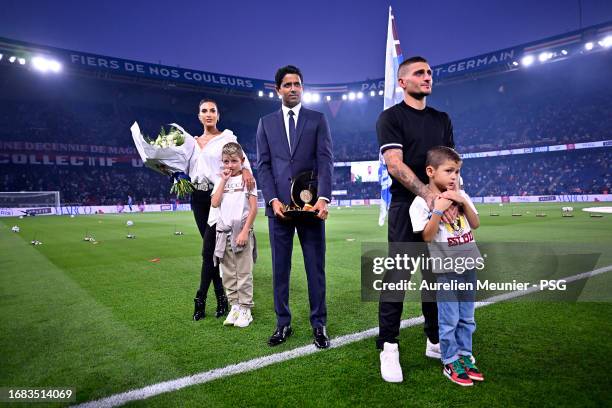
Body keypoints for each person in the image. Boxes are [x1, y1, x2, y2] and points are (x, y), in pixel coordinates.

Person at [376, 56, 457, 382]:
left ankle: (435, 339)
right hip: (405, 207)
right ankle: (388, 346)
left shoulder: (442, 119)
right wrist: (429, 195)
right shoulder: (390, 118)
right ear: (402, 82)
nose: (427, 78)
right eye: (419, 73)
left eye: (429, 73)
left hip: (439, 208)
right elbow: (394, 164)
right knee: (397, 276)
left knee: (436, 277)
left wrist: (452, 201)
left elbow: (451, 166)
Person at [256, 65, 333, 348]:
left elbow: (325, 161)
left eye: (297, 84)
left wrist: (323, 198)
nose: (292, 88)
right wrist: (272, 199)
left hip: (311, 208)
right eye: (287, 84)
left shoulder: (317, 119)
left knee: (316, 268)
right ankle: (283, 324)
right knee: (280, 269)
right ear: (278, 89)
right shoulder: (266, 123)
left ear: (302, 87)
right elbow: (263, 165)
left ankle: (319, 324)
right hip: (278, 210)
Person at [409, 146, 484, 386]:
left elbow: (475, 223)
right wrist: (438, 211)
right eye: (449, 171)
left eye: (457, 171)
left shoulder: (463, 195)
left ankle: (465, 356)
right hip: (447, 270)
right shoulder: (420, 203)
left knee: (467, 318)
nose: (454, 176)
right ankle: (450, 360)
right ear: (431, 171)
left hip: (469, 264)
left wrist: (462, 201)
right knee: (449, 319)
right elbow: (427, 237)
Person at [189, 99, 256, 321]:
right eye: (204, 111)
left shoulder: (227, 137)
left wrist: (246, 171)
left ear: (218, 115)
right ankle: (223, 297)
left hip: (218, 194)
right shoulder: (190, 142)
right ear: (199, 115)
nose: (208, 114)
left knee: (209, 252)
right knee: (215, 252)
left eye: (213, 111)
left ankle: (202, 299)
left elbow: (240, 158)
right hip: (197, 197)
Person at [211, 142, 258, 328]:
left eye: (233, 161)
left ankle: (246, 308)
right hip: (223, 233)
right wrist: (223, 180)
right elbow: (215, 203)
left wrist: (245, 231)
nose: (229, 165)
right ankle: (235, 306)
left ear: (242, 161)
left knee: (244, 272)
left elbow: (254, 209)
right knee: (229, 273)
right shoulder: (220, 179)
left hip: (242, 232)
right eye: (226, 161)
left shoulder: (248, 180)